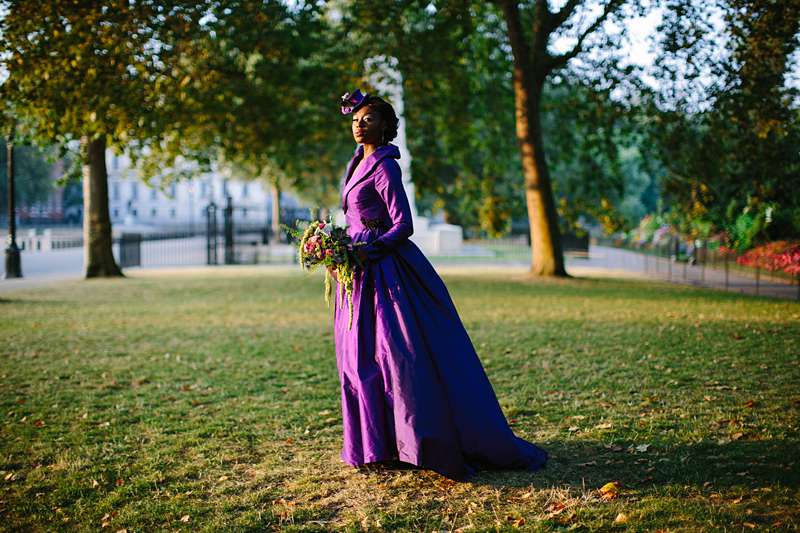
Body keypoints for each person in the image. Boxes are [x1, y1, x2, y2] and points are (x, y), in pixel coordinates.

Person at [328, 89, 548, 481]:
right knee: (359, 359)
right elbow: (355, 217)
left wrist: (369, 250)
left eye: (368, 119)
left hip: (386, 273)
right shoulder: (353, 163)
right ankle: (376, 444)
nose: (359, 125)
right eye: (354, 120)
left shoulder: (385, 166)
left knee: (398, 356)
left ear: (386, 126)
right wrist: (336, 246)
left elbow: (403, 225)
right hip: (356, 276)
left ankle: (419, 441)